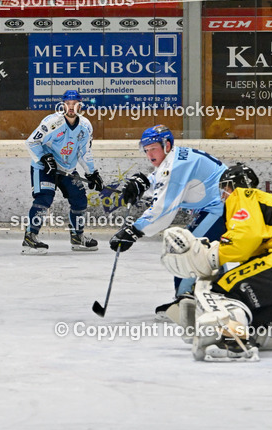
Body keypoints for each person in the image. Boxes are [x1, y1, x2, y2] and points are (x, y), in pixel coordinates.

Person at [159, 163, 272, 362]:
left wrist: (211, 257)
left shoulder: (243, 195)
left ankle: (234, 343)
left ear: (231, 185)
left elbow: (245, 237)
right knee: (252, 313)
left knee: (222, 290)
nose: (223, 195)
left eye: (224, 190)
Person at [109, 125, 228, 314]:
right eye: (146, 150)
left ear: (167, 145)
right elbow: (161, 181)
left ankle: (184, 302)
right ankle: (217, 294)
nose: (149, 155)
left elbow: (163, 210)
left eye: (153, 148)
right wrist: (143, 184)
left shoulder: (176, 166)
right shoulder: (175, 158)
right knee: (205, 252)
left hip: (220, 209)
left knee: (185, 250)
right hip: (219, 207)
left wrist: (134, 230)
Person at [22, 90, 104, 254]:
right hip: (45, 168)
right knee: (44, 198)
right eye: (68, 104)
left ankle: (77, 237)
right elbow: (32, 142)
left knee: (79, 199)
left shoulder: (85, 126)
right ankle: (30, 238)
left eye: (75, 104)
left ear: (80, 105)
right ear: (63, 105)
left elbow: (84, 152)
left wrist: (92, 173)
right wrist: (45, 157)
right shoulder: (52, 122)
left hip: (67, 170)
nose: (71, 107)